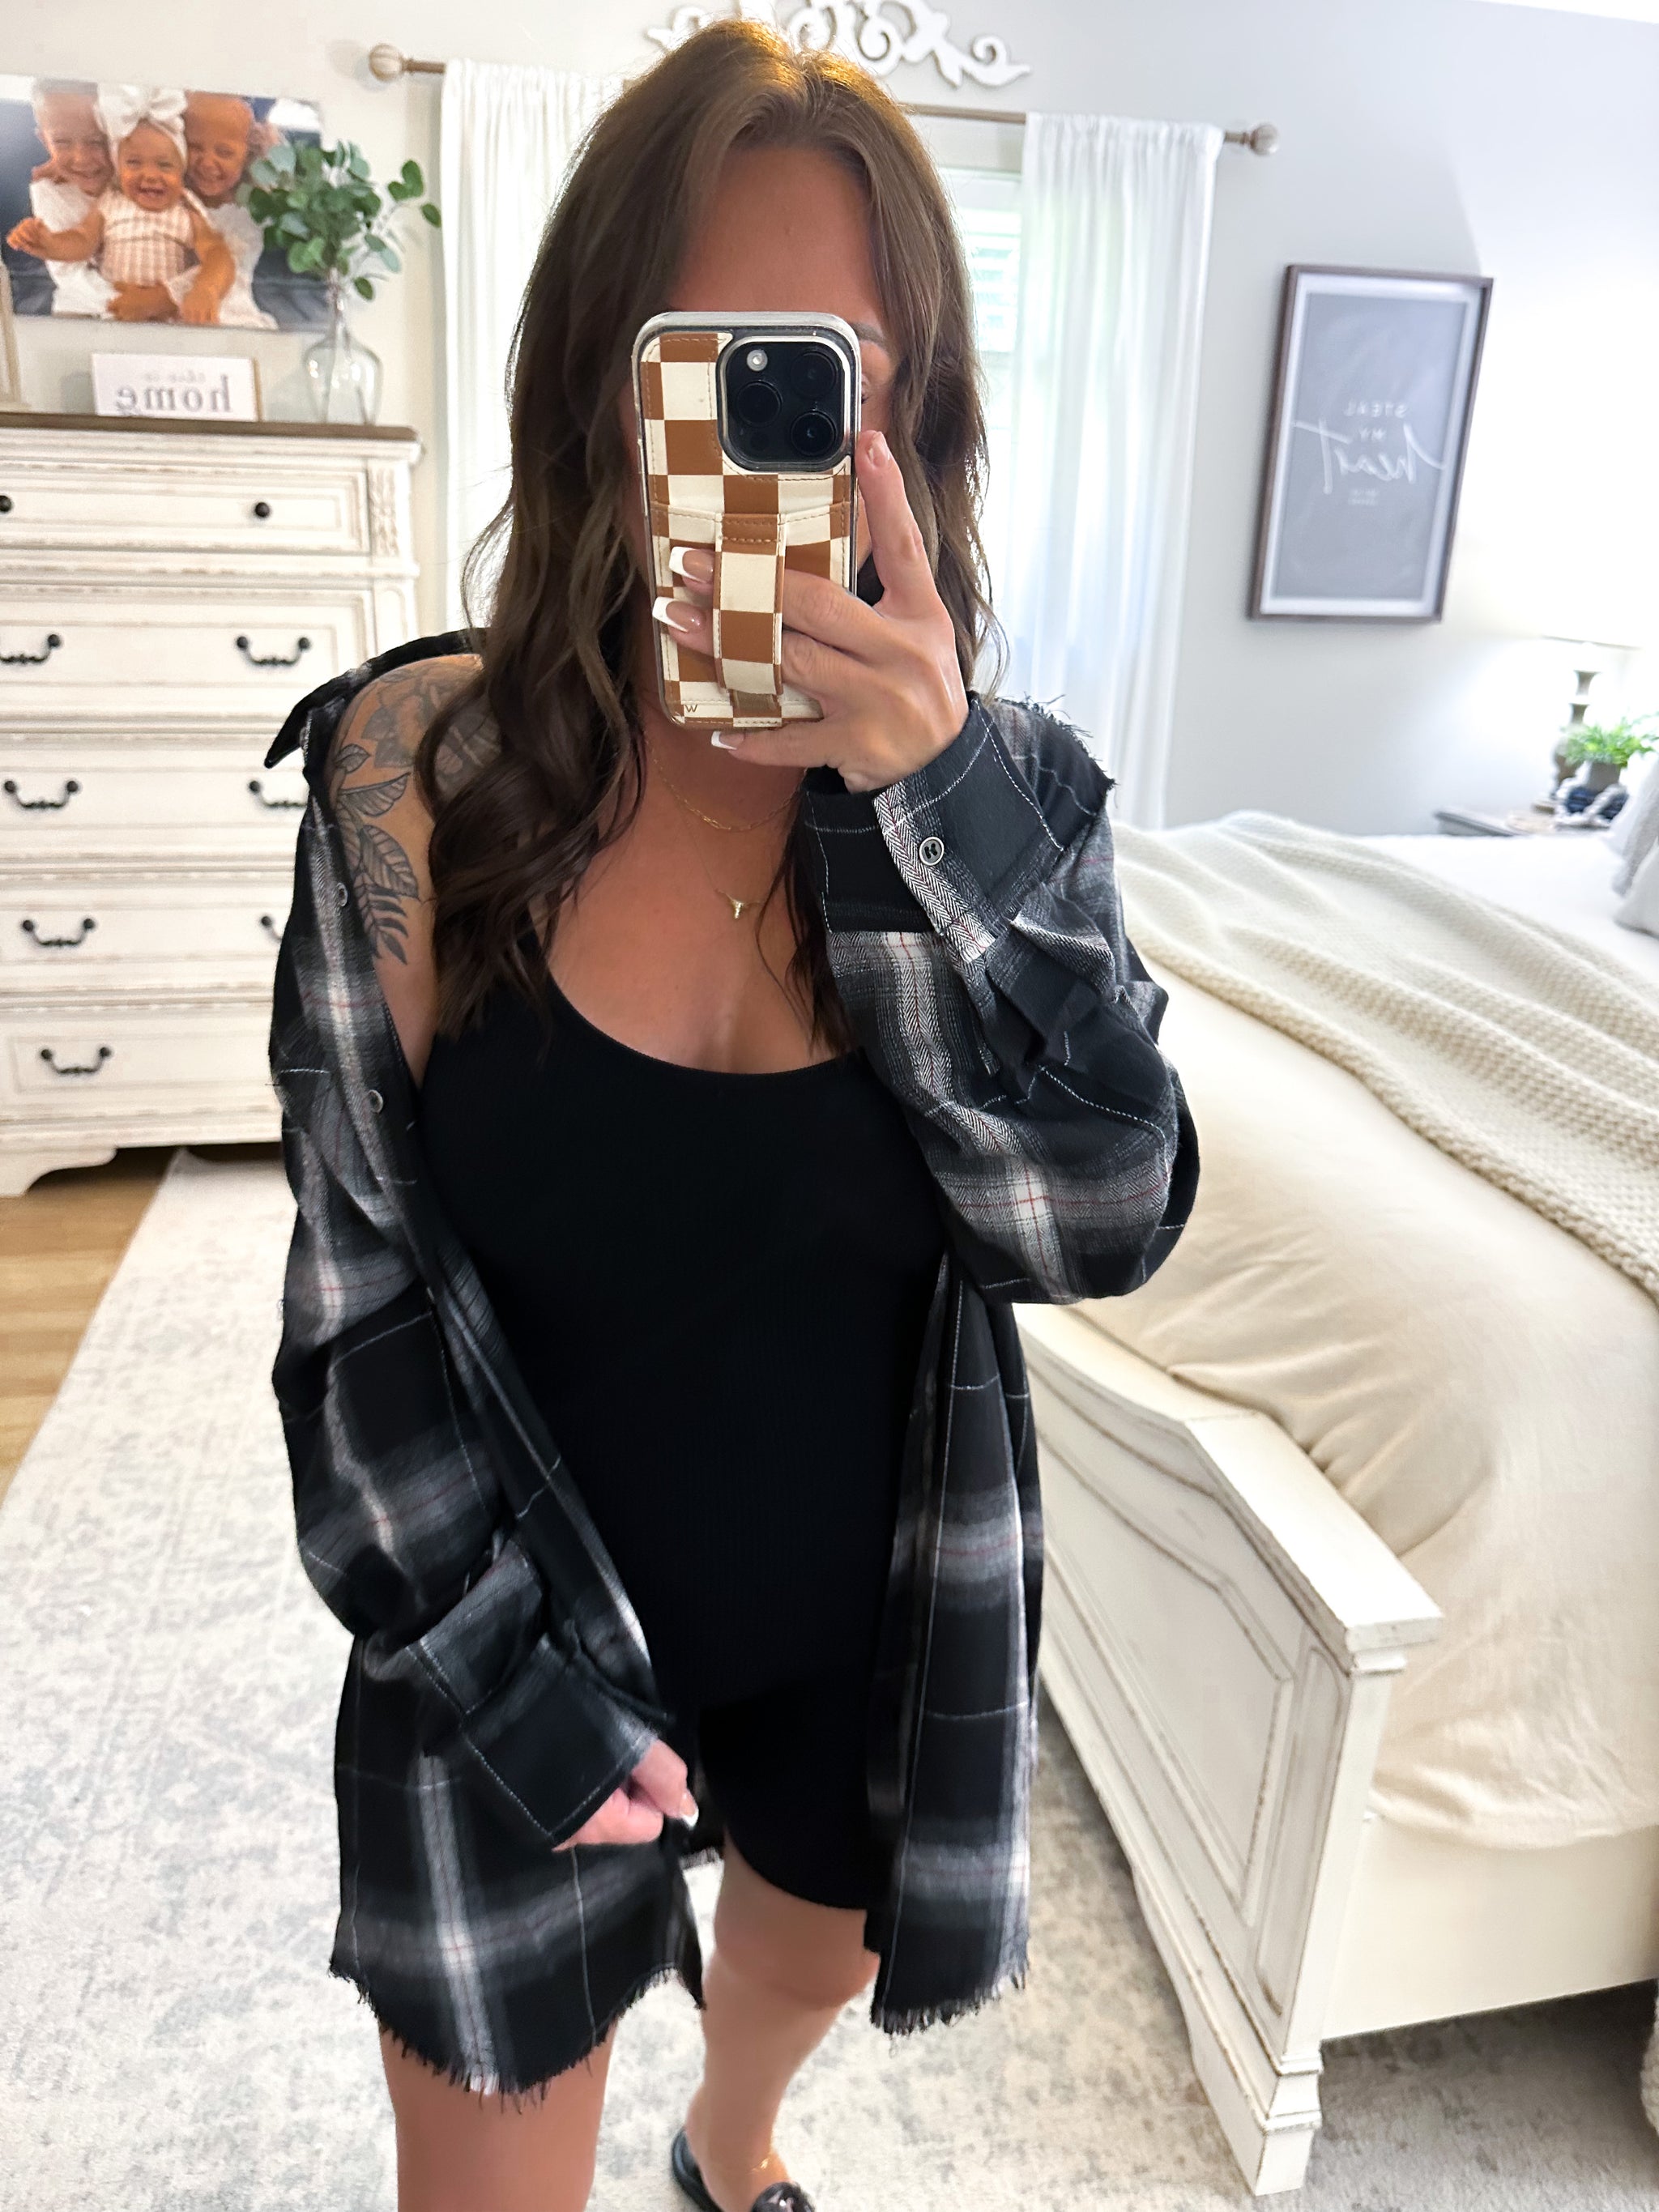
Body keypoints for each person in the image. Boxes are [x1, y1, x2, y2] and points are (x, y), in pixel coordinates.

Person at [263, 21, 1197, 2212]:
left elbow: (1096, 1220)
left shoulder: (1004, 795)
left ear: (912, 419)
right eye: (709, 361)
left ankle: (731, 2140)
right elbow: (349, 1316)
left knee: (804, 1965)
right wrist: (512, 1687)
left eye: (830, 373)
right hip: (505, 1635)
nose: (766, 433)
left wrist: (933, 804)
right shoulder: (416, 778)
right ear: (605, 388)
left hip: (863, 1626)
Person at [9, 87, 232, 326]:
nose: (150, 175)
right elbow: (82, 241)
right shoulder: (110, 203)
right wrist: (48, 243)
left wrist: (206, 288)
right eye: (134, 163)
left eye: (165, 165)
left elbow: (218, 253)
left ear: (182, 174)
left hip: (169, 319)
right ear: (120, 168)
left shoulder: (184, 212)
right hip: (112, 316)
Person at [7, 80, 117, 319]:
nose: (81, 158)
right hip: (84, 308)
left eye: (97, 141)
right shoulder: (49, 191)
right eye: (62, 142)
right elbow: (69, 274)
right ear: (44, 141)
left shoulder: (145, 180)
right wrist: (127, 301)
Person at [179, 91, 279, 330]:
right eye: (194, 147)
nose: (207, 162)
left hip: (226, 312)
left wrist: (159, 297)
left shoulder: (246, 216)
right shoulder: (174, 198)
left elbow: (227, 266)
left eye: (224, 152)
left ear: (249, 154)